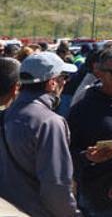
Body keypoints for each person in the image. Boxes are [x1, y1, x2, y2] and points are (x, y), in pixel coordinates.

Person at [0, 52, 79, 216]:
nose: (65, 82)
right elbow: (56, 185)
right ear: (52, 83)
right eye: (63, 77)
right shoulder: (50, 122)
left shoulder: (6, 114)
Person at [68, 46, 112, 217]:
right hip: (99, 198)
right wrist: (87, 156)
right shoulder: (83, 108)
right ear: (99, 73)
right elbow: (66, 152)